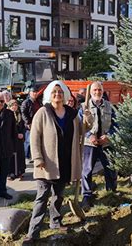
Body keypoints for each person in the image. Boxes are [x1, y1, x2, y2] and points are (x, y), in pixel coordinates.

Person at [24, 81, 92, 243]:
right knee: (42, 198)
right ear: (49, 94)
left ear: (65, 95)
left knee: (58, 196)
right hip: (47, 164)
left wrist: (88, 118)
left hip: (65, 162)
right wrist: (38, 158)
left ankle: (55, 222)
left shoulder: (71, 113)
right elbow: (34, 137)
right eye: (54, 92)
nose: (57, 94)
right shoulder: (43, 112)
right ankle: (32, 233)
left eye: (60, 92)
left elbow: (83, 130)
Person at [79, 81, 117, 210]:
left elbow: (115, 124)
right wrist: (90, 135)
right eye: (95, 90)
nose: (97, 92)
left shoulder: (109, 106)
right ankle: (86, 196)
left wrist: (109, 135)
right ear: (90, 92)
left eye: (99, 90)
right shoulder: (84, 107)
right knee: (87, 170)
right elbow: (80, 126)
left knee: (110, 169)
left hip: (106, 143)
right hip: (90, 144)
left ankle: (111, 192)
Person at [7, 99, 26, 180]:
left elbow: (23, 125)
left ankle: (20, 172)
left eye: (16, 105)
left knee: (20, 155)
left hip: (19, 140)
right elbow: (7, 128)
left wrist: (22, 133)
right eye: (13, 105)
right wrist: (16, 134)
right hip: (11, 139)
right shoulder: (7, 115)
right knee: (12, 156)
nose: (14, 107)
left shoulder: (19, 114)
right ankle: (11, 173)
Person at [21, 86, 41, 160]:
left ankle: (33, 156)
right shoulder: (26, 102)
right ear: (30, 93)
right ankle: (26, 156)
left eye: (36, 92)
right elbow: (23, 113)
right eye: (33, 92)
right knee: (28, 141)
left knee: (36, 141)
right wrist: (28, 123)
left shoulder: (38, 101)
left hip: (37, 123)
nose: (35, 94)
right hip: (30, 124)